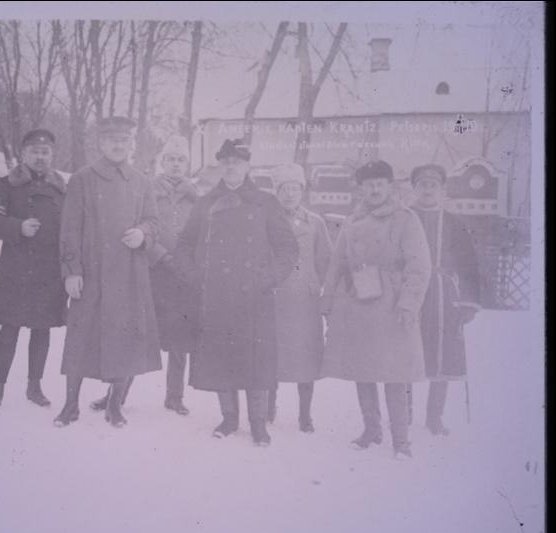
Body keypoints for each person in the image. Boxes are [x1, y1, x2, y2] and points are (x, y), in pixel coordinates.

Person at [172, 139, 299, 446]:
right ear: (220, 165)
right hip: (215, 296)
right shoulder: (205, 203)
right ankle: (229, 418)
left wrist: (269, 278)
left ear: (248, 166)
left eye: (238, 161)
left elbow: (287, 248)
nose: (231, 166)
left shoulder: (266, 202)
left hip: (254, 295)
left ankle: (258, 424)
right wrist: (194, 277)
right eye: (226, 161)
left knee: (256, 360)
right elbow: (184, 246)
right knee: (220, 357)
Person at [55, 116, 162, 428]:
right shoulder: (82, 179)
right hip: (91, 272)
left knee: (126, 339)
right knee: (80, 336)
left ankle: (115, 405)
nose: (118, 145)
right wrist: (71, 270)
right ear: (101, 143)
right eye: (112, 139)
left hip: (130, 275)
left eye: (124, 139)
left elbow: (154, 222)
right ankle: (70, 405)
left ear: (132, 145)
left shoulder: (142, 182)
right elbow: (69, 228)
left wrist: (143, 233)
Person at [320, 160, 431, 458]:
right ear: (361, 189)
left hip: (392, 305)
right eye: (369, 184)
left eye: (380, 183)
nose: (374, 189)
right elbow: (337, 264)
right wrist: (327, 301)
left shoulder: (405, 220)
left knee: (395, 374)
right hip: (357, 301)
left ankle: (401, 442)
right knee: (363, 370)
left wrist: (409, 304)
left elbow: (419, 267)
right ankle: (371, 430)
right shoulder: (351, 221)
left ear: (390, 186)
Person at [90, 135, 200, 416]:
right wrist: (160, 255)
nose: (176, 164)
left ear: (187, 164)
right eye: (171, 159)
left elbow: (200, 234)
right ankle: (117, 395)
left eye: (181, 160)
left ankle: (174, 397)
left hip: (183, 275)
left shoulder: (195, 196)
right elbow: (138, 225)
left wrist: (187, 263)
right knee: (136, 333)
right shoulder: (145, 188)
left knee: (179, 339)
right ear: (162, 162)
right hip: (150, 270)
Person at [0, 129, 68, 413]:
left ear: (52, 156)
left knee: (42, 330)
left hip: (49, 272)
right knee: (9, 329)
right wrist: (17, 227)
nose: (40, 157)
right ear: (24, 154)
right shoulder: (7, 184)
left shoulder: (61, 188)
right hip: (15, 271)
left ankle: (34, 386)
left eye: (45, 152)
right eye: (34, 152)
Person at [408, 163, 481, 435]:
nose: (427, 190)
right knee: (407, 353)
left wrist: (469, 303)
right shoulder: (405, 217)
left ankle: (434, 417)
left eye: (433, 185)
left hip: (444, 296)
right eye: (422, 184)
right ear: (413, 188)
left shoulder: (453, 223)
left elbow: (469, 265)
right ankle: (404, 414)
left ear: (442, 190)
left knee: (443, 355)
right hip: (411, 293)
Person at [268, 163, 332, 433]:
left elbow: (326, 261)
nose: (290, 194)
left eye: (295, 189)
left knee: (306, 359)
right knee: (272, 356)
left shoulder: (315, 223)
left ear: (302, 191)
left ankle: (305, 415)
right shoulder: (267, 220)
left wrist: (316, 286)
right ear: (277, 192)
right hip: (275, 301)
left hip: (305, 305)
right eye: (284, 189)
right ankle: (269, 409)